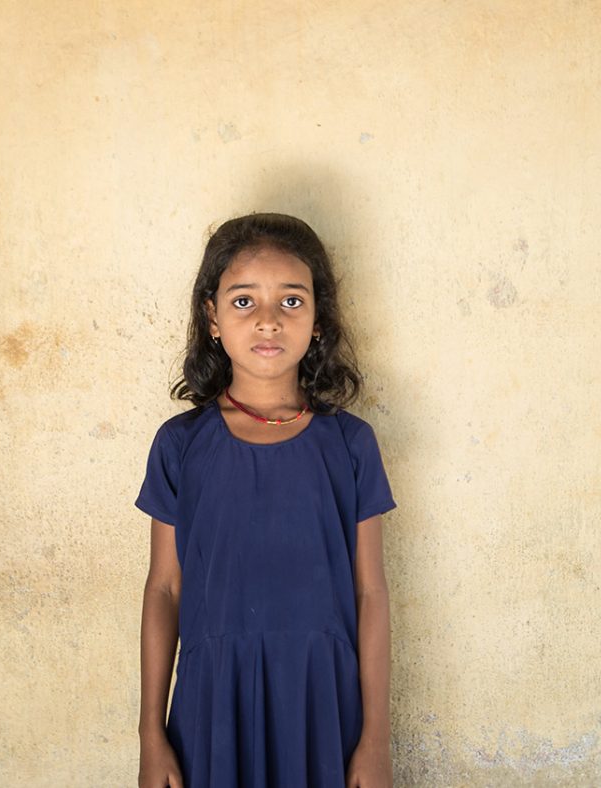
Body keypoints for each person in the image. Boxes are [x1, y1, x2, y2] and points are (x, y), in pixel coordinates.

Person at [136, 213, 397, 787]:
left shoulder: (350, 444)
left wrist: (375, 739)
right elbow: (165, 589)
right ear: (212, 317)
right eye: (244, 301)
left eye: (292, 301)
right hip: (213, 703)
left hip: (323, 703)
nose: (269, 321)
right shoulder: (180, 445)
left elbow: (371, 592)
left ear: (319, 320)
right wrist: (150, 736)